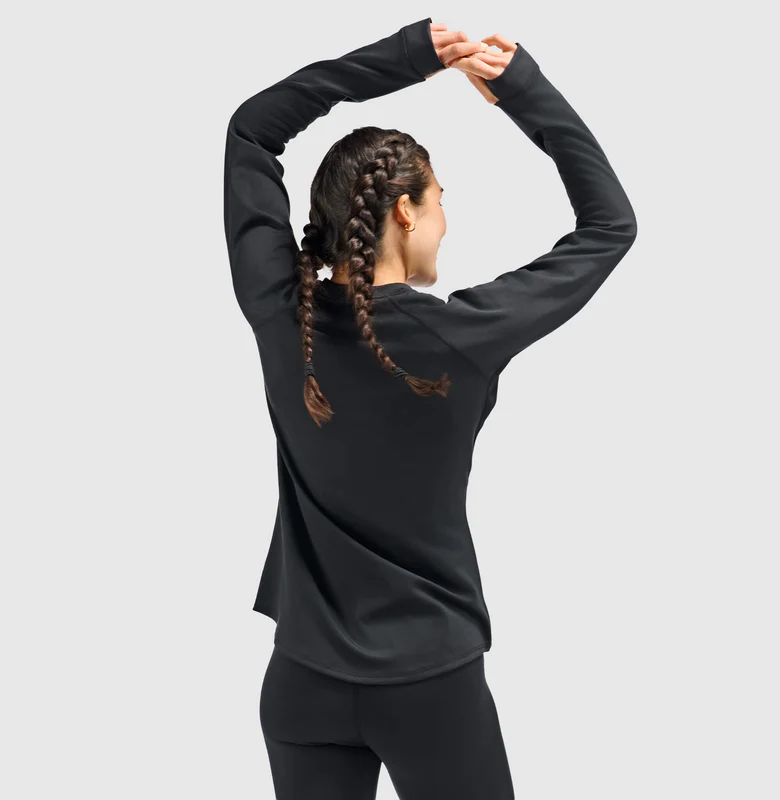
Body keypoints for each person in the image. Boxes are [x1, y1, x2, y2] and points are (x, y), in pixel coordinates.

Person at [223, 16, 637, 800]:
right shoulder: (463, 337)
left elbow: (252, 129)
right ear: (406, 211)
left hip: (301, 685)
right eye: (441, 200)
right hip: (429, 691)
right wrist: (521, 90)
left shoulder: (282, 315)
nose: (446, 219)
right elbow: (611, 225)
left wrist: (405, 58)